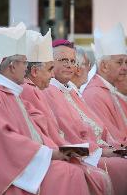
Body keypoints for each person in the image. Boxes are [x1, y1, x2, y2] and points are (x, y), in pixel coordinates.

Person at [0, 24, 96, 195]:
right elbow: (8, 141)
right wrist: (54, 153)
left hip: (35, 159)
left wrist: (61, 151)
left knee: (76, 167)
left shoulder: (12, 93)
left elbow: (40, 133)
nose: (26, 68)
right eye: (24, 62)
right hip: (15, 173)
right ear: (11, 66)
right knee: (71, 173)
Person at [21, 30, 114, 195]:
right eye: (51, 68)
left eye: (74, 61)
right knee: (75, 173)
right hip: (33, 162)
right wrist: (78, 152)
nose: (52, 75)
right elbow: (50, 139)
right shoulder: (32, 91)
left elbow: (53, 137)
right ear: (34, 71)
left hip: (54, 153)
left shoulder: (35, 89)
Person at [43, 39, 127, 195]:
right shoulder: (49, 91)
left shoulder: (71, 91)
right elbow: (66, 137)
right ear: (50, 62)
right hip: (80, 155)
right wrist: (102, 151)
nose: (70, 65)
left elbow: (99, 129)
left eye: (72, 61)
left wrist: (115, 147)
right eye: (63, 60)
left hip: (95, 151)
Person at [83, 23, 127, 145]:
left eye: (126, 62)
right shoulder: (94, 94)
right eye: (120, 62)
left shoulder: (109, 90)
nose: (125, 67)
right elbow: (111, 139)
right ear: (104, 66)